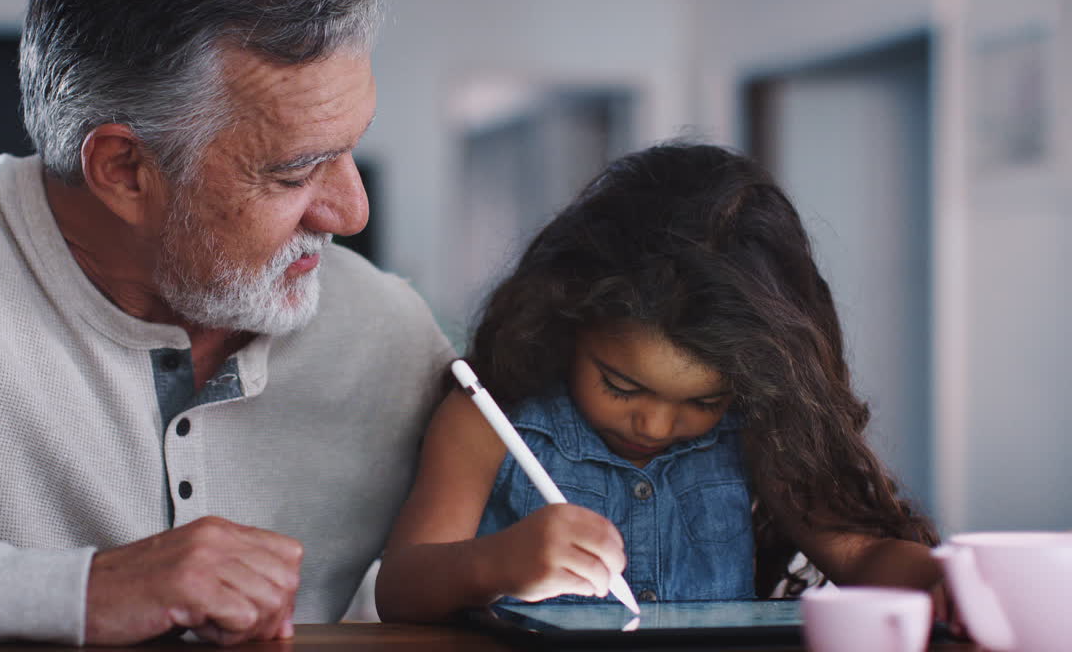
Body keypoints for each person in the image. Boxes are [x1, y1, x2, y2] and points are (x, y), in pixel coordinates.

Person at [0, 0, 453, 646]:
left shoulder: (388, 330)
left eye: (351, 147)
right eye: (294, 173)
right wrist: (69, 592)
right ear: (124, 169)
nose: (351, 213)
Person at [375, 143, 949, 623]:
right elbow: (400, 588)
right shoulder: (485, 422)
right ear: (567, 320)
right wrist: (498, 564)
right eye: (622, 387)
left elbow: (862, 554)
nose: (654, 425)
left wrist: (944, 585)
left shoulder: (757, 428)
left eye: (704, 400)